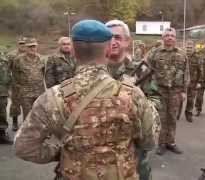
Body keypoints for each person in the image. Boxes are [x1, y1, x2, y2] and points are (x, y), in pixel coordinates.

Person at [14, 19, 157, 180]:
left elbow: (24, 147)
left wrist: (62, 152)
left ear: (73, 51)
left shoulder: (54, 97)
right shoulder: (133, 94)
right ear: (109, 49)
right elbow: (148, 143)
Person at [105, 19, 160, 180]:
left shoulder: (141, 70)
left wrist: (136, 109)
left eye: (117, 37)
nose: (112, 42)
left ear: (127, 41)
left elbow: (156, 100)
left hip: (133, 149)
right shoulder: (94, 70)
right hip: (99, 152)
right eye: (108, 38)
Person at [147, 27, 188, 155]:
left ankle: (171, 142)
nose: (169, 37)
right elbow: (147, 69)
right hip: (160, 91)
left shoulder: (182, 53)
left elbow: (186, 73)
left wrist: (184, 91)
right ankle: (161, 143)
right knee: (161, 118)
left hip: (176, 91)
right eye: (167, 35)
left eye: (172, 35)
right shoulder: (155, 53)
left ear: (175, 38)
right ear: (163, 37)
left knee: (173, 117)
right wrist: (149, 88)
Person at [11, 38, 45, 120]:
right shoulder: (18, 60)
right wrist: (19, 91)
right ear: (25, 48)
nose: (32, 49)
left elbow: (43, 73)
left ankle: (39, 132)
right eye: (30, 47)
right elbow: (15, 77)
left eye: (34, 46)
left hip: (39, 92)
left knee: (40, 116)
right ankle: (27, 132)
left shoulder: (42, 59)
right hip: (26, 93)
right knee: (28, 117)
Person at [7, 37, 27, 131]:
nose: (22, 45)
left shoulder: (29, 54)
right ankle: (15, 122)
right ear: (18, 44)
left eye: (24, 43)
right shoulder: (12, 55)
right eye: (21, 43)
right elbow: (7, 69)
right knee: (15, 104)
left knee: (28, 104)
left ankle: (27, 123)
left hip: (28, 84)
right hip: (16, 84)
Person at [185, 40, 201, 122]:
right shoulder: (181, 56)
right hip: (182, 82)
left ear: (194, 48)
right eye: (187, 47)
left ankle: (189, 114)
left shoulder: (197, 57)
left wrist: (199, 82)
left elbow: (200, 71)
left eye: (190, 47)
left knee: (190, 100)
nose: (188, 49)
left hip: (193, 82)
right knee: (179, 100)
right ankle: (177, 114)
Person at [0, 53, 11, 144]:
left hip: (2, 91)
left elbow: (8, 75)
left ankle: (2, 135)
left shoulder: (4, 58)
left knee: (2, 114)